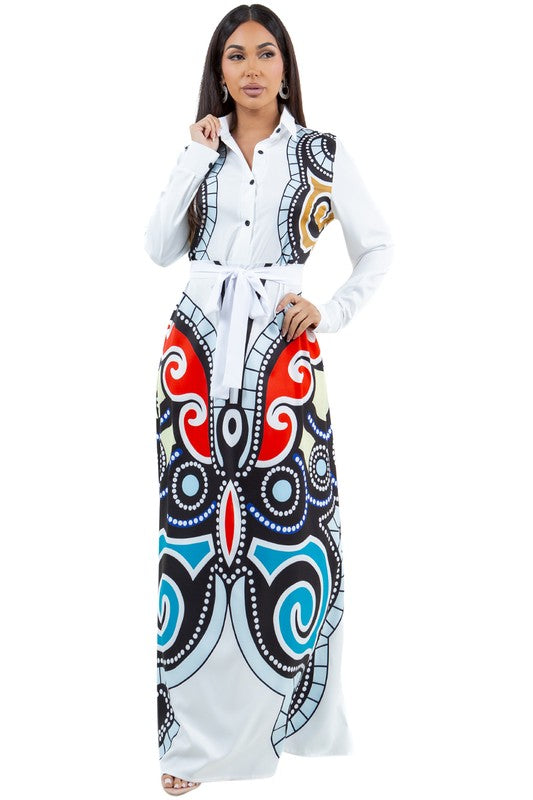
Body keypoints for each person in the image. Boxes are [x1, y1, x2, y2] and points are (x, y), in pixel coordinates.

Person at [144, 4, 394, 795]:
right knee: (195, 548)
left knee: (288, 538)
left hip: (283, 362)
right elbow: (157, 248)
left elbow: (377, 247)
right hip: (194, 358)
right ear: (218, 72)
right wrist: (194, 153)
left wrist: (330, 310)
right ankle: (193, 745)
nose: (250, 67)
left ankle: (292, 721)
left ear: (286, 67)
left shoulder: (321, 153)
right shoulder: (202, 150)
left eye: (265, 53)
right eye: (234, 55)